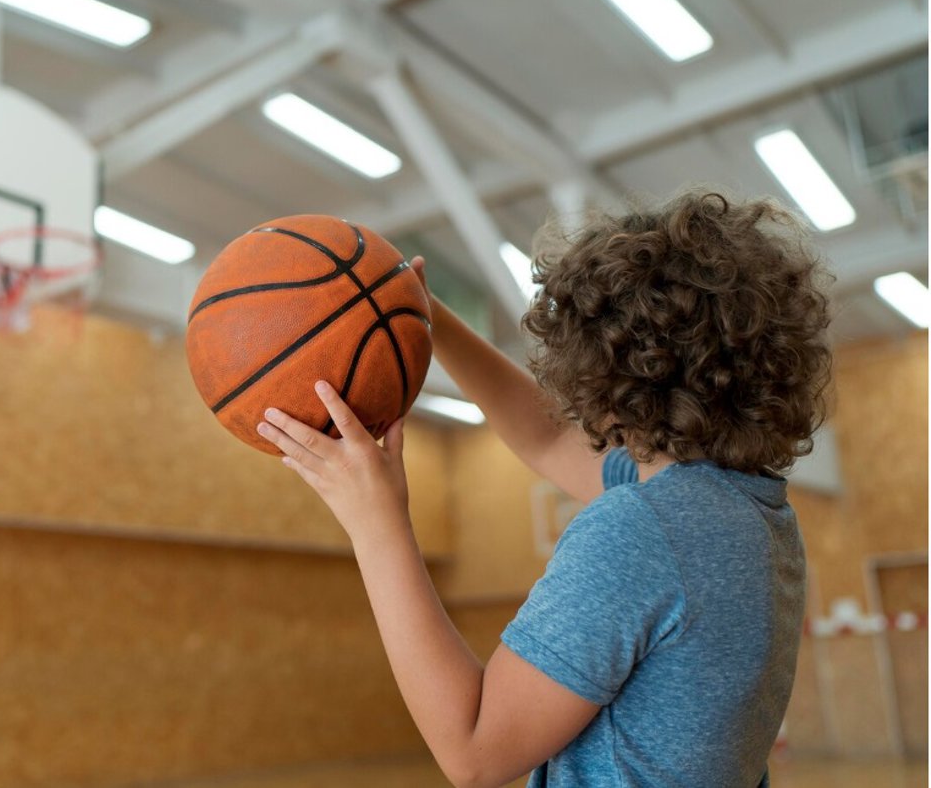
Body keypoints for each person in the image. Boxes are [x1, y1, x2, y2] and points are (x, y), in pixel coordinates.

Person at [255, 190, 834, 788]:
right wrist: (427, 317)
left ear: (602, 372)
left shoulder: (644, 530)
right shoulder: (745, 511)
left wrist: (377, 527)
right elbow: (548, 440)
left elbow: (476, 752)